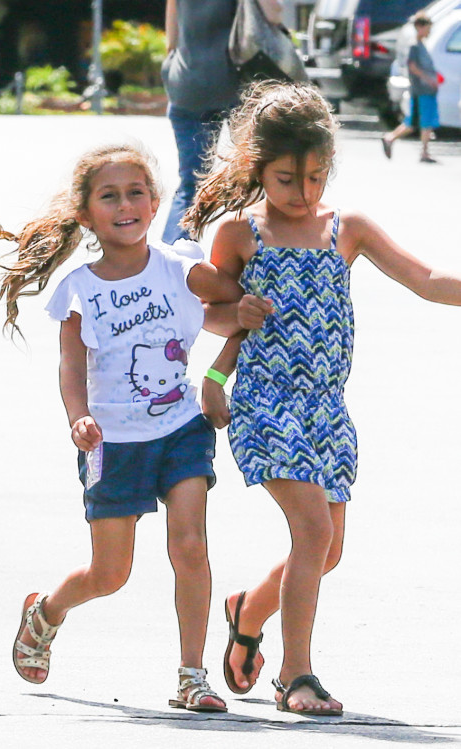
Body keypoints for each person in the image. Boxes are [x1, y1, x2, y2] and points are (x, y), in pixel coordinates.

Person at [182, 80, 461, 715]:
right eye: (286, 179)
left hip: (327, 410)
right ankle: (296, 676)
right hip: (264, 403)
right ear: (258, 168)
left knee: (328, 550)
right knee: (311, 532)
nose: (302, 193)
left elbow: (424, 278)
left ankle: (247, 611)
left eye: (314, 178)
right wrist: (235, 318)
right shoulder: (240, 233)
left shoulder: (346, 229)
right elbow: (208, 312)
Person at [0, 142, 245, 712]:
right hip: (111, 443)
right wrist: (77, 416)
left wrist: (216, 369)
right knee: (111, 573)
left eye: (136, 193)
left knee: (190, 546)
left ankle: (191, 675)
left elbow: (235, 307)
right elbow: (70, 365)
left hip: (181, 428)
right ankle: (47, 612)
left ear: (154, 203)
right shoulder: (79, 289)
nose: (125, 205)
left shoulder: (180, 268)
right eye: (110, 196)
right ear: (86, 214)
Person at [161, 0, 284, 244]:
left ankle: (173, 255)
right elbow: (274, 14)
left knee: (191, 183)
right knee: (254, 176)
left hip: (187, 83)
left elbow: (171, 42)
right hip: (237, 84)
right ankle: (257, 250)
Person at [382, 11, 440, 163]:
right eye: (427, 28)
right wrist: (428, 79)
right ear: (420, 27)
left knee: (420, 121)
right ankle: (420, 150)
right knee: (419, 121)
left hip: (426, 90)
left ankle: (422, 150)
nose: (429, 31)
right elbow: (412, 66)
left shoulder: (421, 45)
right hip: (420, 90)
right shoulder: (414, 46)